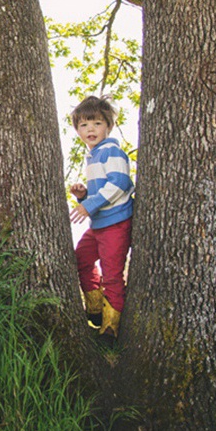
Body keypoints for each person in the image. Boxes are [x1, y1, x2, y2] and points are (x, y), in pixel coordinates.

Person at [69, 95, 133, 344]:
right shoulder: (94, 156)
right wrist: (84, 196)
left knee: (113, 274)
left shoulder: (111, 151)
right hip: (98, 224)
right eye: (83, 125)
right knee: (81, 259)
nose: (90, 129)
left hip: (115, 224)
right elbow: (102, 190)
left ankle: (110, 329)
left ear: (108, 126)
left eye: (96, 123)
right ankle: (95, 308)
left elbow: (119, 182)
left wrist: (89, 204)